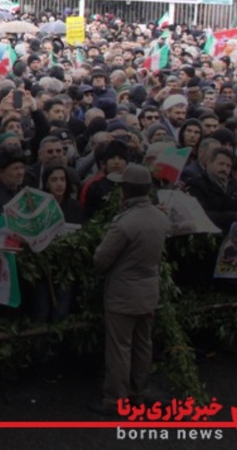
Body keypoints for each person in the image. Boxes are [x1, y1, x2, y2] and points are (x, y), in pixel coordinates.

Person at [89, 164, 170, 415]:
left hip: (123, 293)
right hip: (149, 290)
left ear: (125, 190)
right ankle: (138, 392)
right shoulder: (160, 217)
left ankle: (116, 400)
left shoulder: (124, 223)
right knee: (142, 344)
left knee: (120, 348)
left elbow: (101, 259)